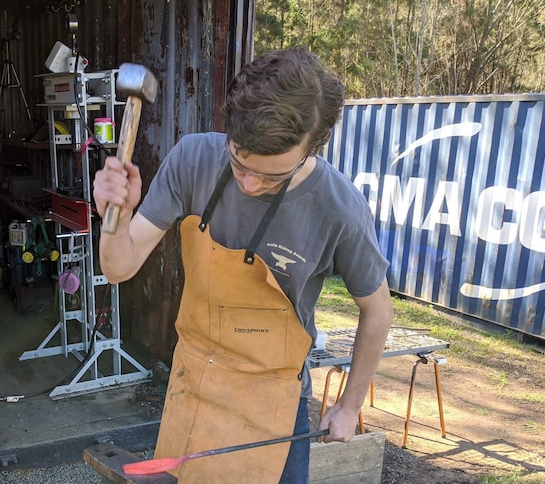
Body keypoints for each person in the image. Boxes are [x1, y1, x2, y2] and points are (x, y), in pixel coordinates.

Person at [92, 46, 394, 483]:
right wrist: (112, 219)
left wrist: (349, 406)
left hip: (273, 402)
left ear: (313, 148)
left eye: (271, 176)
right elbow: (118, 268)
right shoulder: (193, 159)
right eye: (239, 162)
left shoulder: (339, 210)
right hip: (193, 383)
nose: (249, 184)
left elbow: (378, 311)